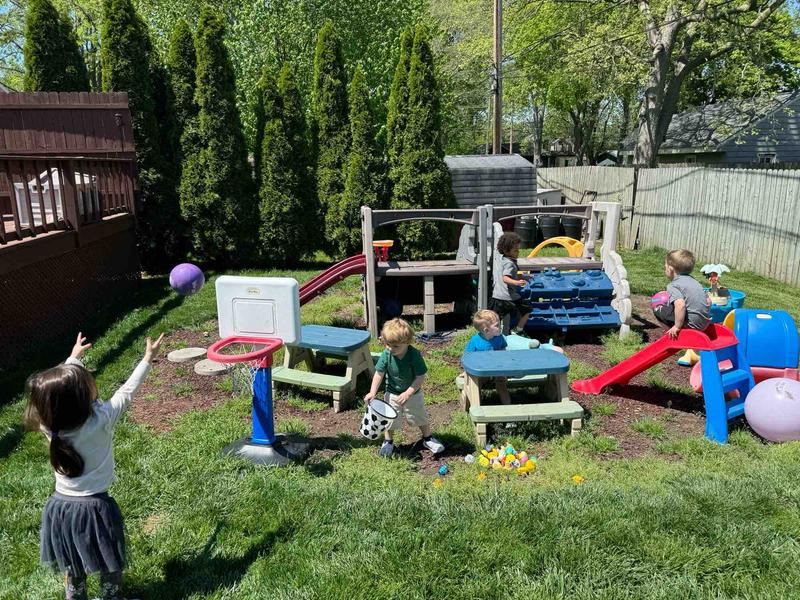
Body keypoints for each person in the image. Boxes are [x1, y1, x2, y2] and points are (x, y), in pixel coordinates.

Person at [24, 331, 164, 600]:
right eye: (87, 381)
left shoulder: (49, 426)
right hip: (95, 508)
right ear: (81, 397)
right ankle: (111, 597)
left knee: (73, 561)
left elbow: (58, 394)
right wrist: (148, 358)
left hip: (60, 508)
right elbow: (127, 390)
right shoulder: (102, 420)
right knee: (110, 559)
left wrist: (73, 358)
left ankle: (75, 597)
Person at [364, 318, 444, 458]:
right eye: (387, 344)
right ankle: (388, 442)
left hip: (413, 393)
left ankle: (427, 438)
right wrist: (372, 392)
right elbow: (379, 373)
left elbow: (420, 377)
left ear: (407, 342)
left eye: (395, 346)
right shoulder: (387, 354)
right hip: (392, 393)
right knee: (389, 420)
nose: (390, 348)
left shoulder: (414, 355)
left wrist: (408, 392)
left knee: (419, 416)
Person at [654, 249, 712, 339]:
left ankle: (671, 333)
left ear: (670, 269)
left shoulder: (673, 285)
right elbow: (708, 301)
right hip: (704, 324)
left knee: (657, 306)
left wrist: (677, 326)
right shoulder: (695, 282)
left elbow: (680, 305)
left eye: (665, 267)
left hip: (690, 325)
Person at [464, 309, 511, 405]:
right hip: (481, 370)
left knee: (501, 384)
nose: (500, 327)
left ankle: (508, 406)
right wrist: (466, 371)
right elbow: (467, 358)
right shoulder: (475, 341)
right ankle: (478, 406)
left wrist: (505, 367)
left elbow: (504, 352)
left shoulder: (499, 337)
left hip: (497, 369)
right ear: (486, 330)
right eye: (497, 325)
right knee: (476, 385)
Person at [491, 231, 531, 335]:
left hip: (497, 296)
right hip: (508, 297)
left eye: (518, 250)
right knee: (527, 310)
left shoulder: (504, 260)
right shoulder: (510, 264)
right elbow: (506, 278)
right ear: (506, 250)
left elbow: (510, 275)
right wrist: (517, 283)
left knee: (499, 319)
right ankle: (518, 330)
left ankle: (497, 335)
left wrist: (523, 276)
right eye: (515, 250)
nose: (518, 252)